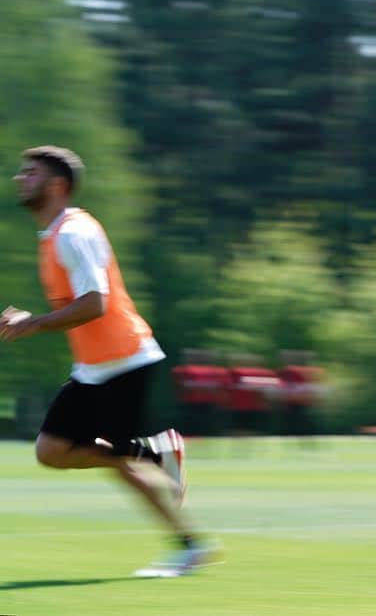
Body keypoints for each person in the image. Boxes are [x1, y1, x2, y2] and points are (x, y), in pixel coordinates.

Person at [3, 145, 219, 577]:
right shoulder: (54, 235)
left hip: (125, 361)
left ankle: (188, 543)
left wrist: (32, 324)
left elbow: (95, 304)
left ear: (57, 186)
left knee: (117, 463)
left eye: (31, 173)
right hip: (95, 367)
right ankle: (156, 463)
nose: (19, 179)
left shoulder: (72, 234)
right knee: (55, 451)